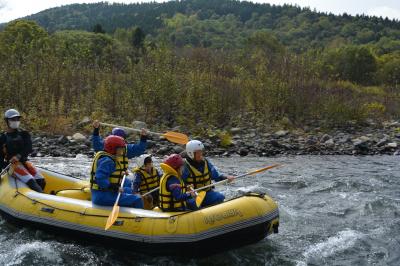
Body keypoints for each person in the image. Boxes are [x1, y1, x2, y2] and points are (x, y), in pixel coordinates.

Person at [90, 135, 143, 208]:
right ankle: (139, 217)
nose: (122, 151)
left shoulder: (109, 158)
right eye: (120, 149)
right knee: (137, 199)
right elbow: (100, 178)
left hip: (106, 192)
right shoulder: (107, 161)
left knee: (130, 191)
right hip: (102, 195)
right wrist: (114, 188)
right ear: (113, 149)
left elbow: (111, 174)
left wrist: (122, 173)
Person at [0, 109, 45, 192]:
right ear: (7, 121)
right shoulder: (3, 138)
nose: (16, 121)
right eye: (13, 119)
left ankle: (38, 198)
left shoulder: (24, 133)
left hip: (24, 162)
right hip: (12, 166)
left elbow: (29, 148)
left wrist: (18, 156)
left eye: (17, 119)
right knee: (32, 182)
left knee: (41, 180)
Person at [182, 140, 234, 207]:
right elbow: (179, 184)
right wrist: (187, 191)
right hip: (193, 196)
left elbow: (216, 176)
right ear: (190, 153)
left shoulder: (206, 162)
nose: (200, 154)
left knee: (220, 197)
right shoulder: (184, 167)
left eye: (201, 151)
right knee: (194, 204)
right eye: (198, 152)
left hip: (207, 193)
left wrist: (226, 177)